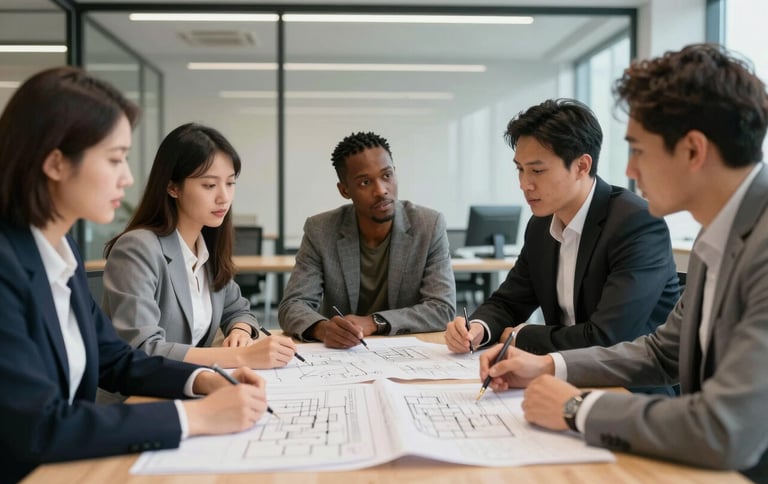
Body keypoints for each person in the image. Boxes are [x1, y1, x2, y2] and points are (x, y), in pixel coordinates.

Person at [479, 44, 768, 484]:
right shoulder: (722, 233)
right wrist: (549, 366)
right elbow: (660, 352)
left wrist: (577, 409)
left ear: (693, 150)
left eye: (638, 150)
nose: (630, 169)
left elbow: (724, 427)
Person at [0, 67, 269, 484]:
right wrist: (195, 417)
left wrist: (204, 380)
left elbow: (117, 361)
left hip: (66, 469)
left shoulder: (57, 251)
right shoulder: (7, 266)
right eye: (114, 158)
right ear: (55, 162)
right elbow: (38, 426)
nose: (126, 178)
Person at [445, 99, 679, 364]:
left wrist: (519, 336)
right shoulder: (541, 225)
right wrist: (478, 328)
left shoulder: (635, 223)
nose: (524, 184)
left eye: (537, 170)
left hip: (629, 386)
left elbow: (608, 338)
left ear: (582, 166)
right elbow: (509, 301)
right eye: (520, 169)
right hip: (560, 374)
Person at [102, 123, 296, 374]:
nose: (224, 197)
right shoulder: (138, 248)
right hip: (138, 398)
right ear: (173, 187)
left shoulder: (205, 247)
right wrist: (241, 355)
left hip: (192, 386)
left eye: (230, 183)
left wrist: (239, 330)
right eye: (209, 185)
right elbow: (143, 349)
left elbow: (238, 308)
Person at [278, 131, 456, 348]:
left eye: (387, 175)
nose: (381, 191)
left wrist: (375, 322)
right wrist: (323, 329)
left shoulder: (428, 225)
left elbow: (442, 309)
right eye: (364, 182)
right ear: (344, 190)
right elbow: (292, 305)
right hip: (344, 355)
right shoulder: (321, 230)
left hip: (405, 351)